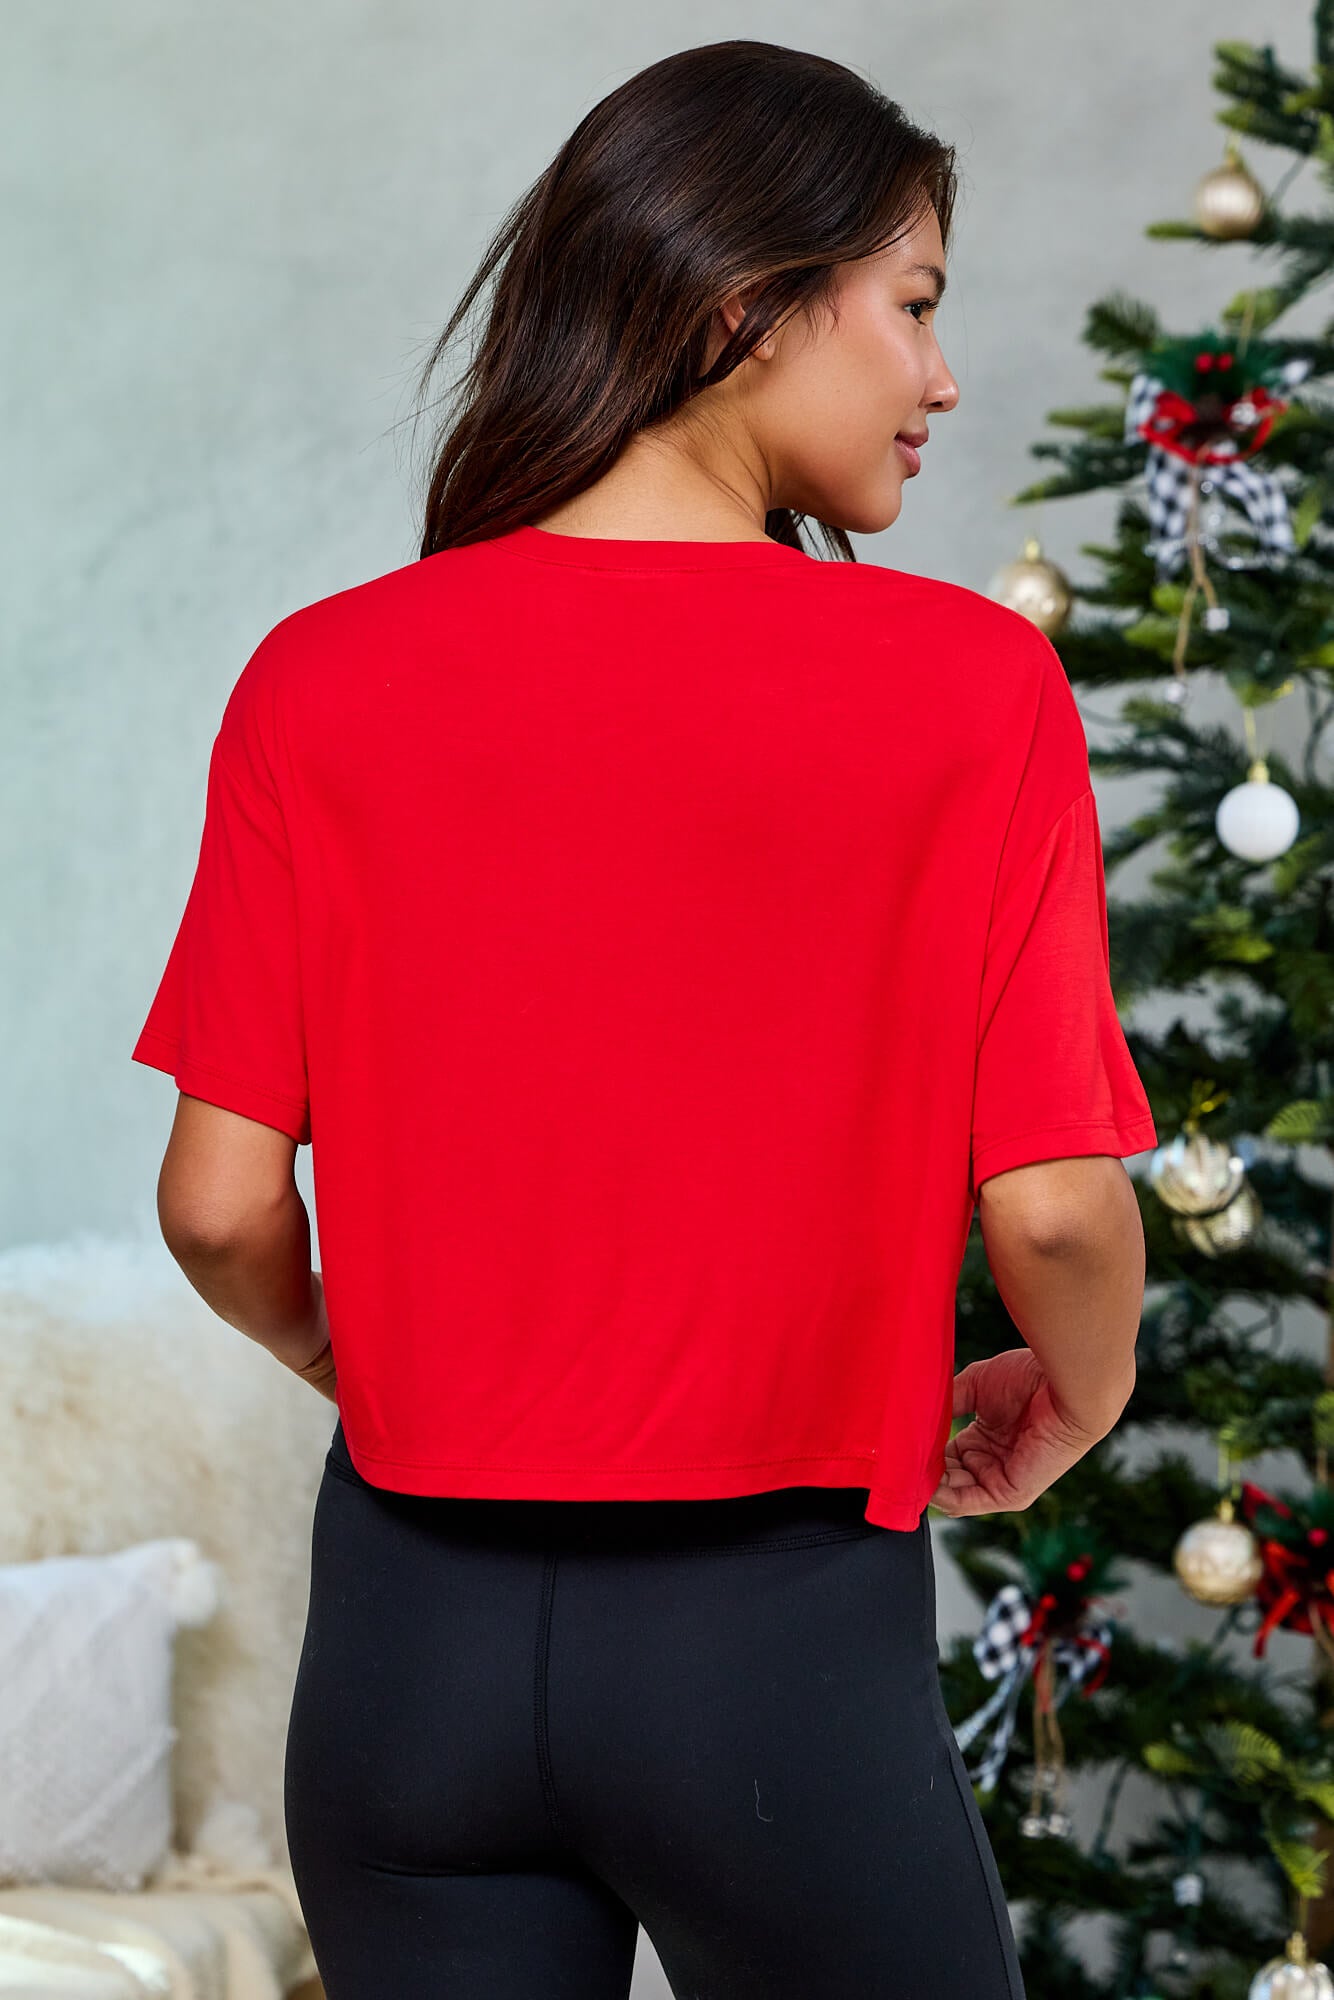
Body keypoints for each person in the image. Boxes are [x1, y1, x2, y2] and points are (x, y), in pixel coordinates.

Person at [130, 38, 1155, 2000]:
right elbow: (1051, 1212)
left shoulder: (323, 678)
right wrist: (1074, 1403)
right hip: (772, 1657)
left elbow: (214, 1203)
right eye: (917, 307)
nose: (942, 380)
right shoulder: (965, 688)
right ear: (746, 303)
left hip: (405, 1646)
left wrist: (368, 1360)